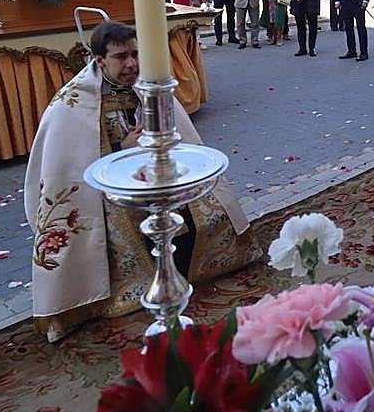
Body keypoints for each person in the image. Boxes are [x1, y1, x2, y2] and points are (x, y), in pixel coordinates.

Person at [24, 21, 259, 342]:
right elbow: (73, 170)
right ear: (99, 60)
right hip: (106, 197)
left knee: (209, 213)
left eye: (136, 54)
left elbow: (178, 136)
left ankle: (181, 272)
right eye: (121, 57)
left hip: (156, 179)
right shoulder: (70, 106)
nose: (132, 64)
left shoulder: (148, 85)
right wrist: (122, 150)